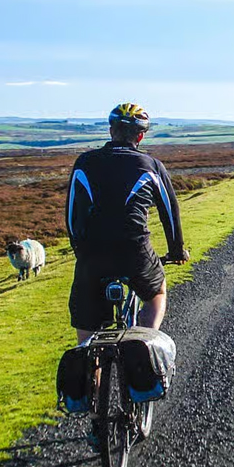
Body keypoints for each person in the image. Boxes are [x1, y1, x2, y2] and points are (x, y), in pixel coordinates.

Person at [65, 102, 190, 346]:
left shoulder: (84, 163)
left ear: (111, 130)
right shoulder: (151, 166)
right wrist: (176, 251)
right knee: (157, 292)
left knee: (87, 335)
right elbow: (170, 213)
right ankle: (143, 343)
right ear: (141, 136)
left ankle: (89, 370)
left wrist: (80, 250)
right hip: (134, 250)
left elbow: (71, 215)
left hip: (93, 253)